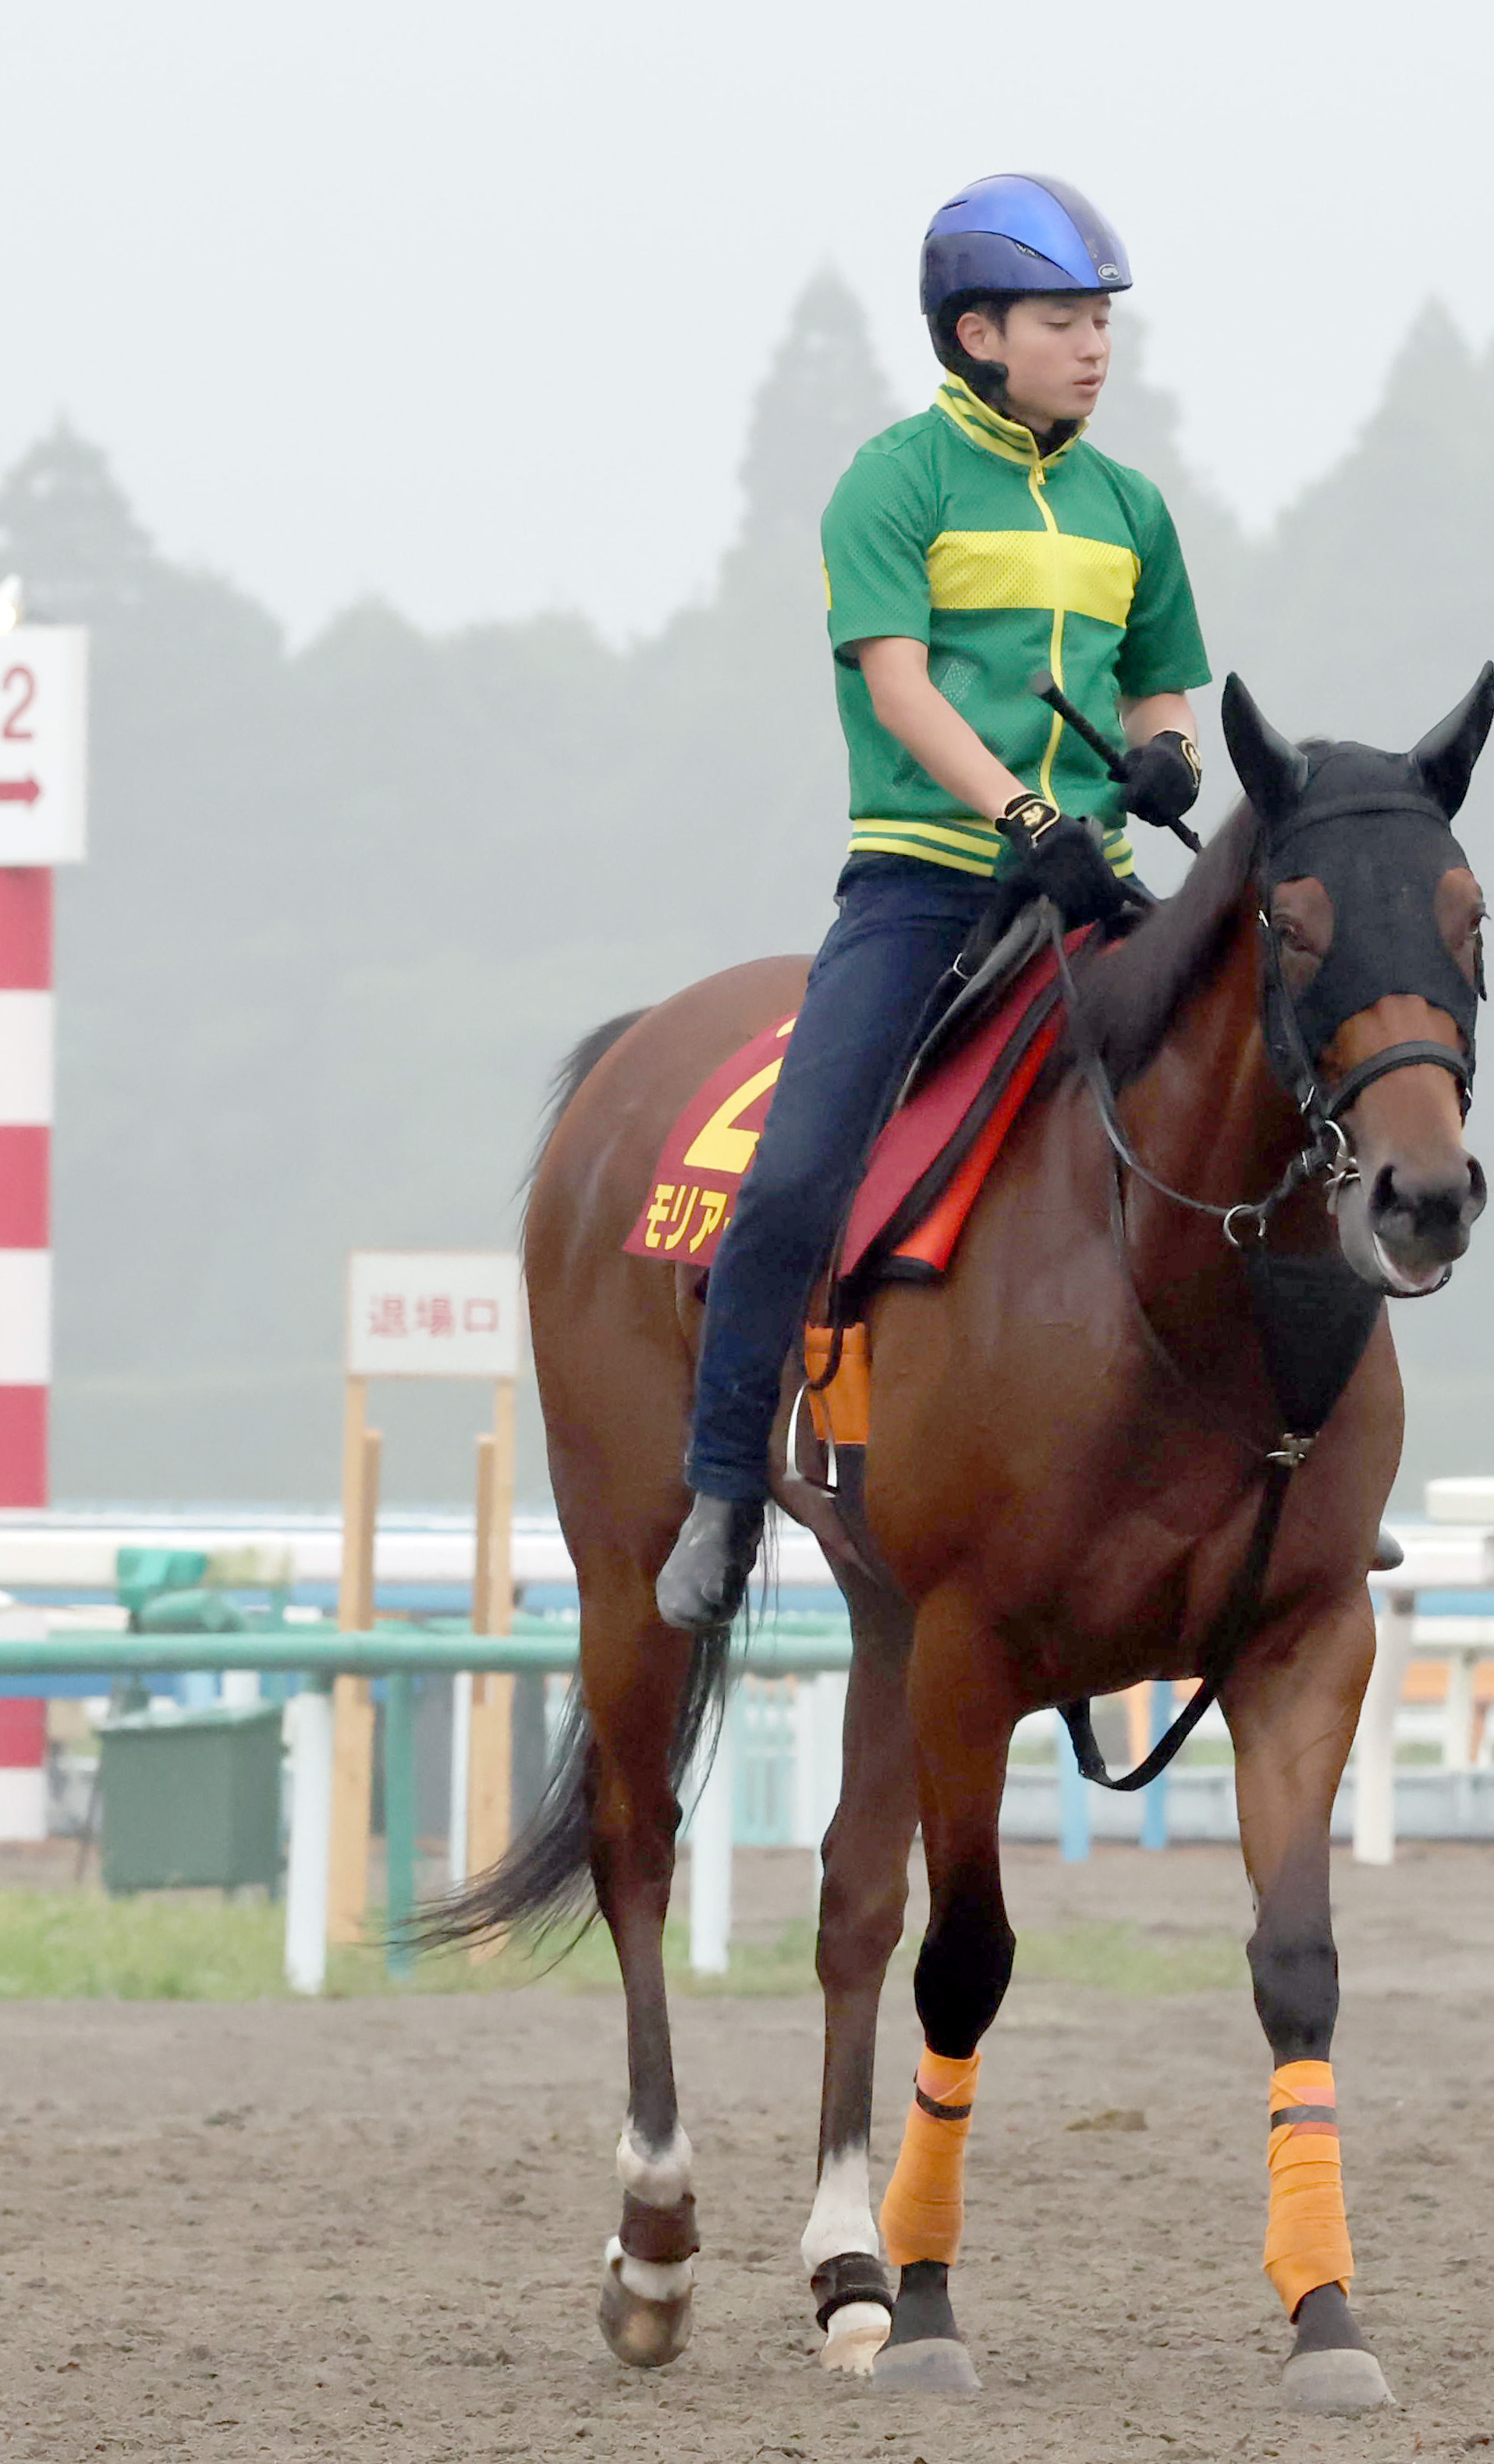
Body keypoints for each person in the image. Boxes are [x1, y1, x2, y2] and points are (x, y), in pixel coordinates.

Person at [657, 173, 1213, 1628]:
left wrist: (1162, 756)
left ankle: (1283, 1473)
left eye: (1102, 320)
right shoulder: (893, 480)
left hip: (1092, 886)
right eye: (1062, 319)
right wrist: (1021, 813)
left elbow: (1164, 677)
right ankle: (723, 1484)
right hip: (927, 884)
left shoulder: (1130, 504)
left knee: (1257, 1102)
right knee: (793, 1175)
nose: (1096, 345)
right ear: (978, 333)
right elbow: (898, 683)